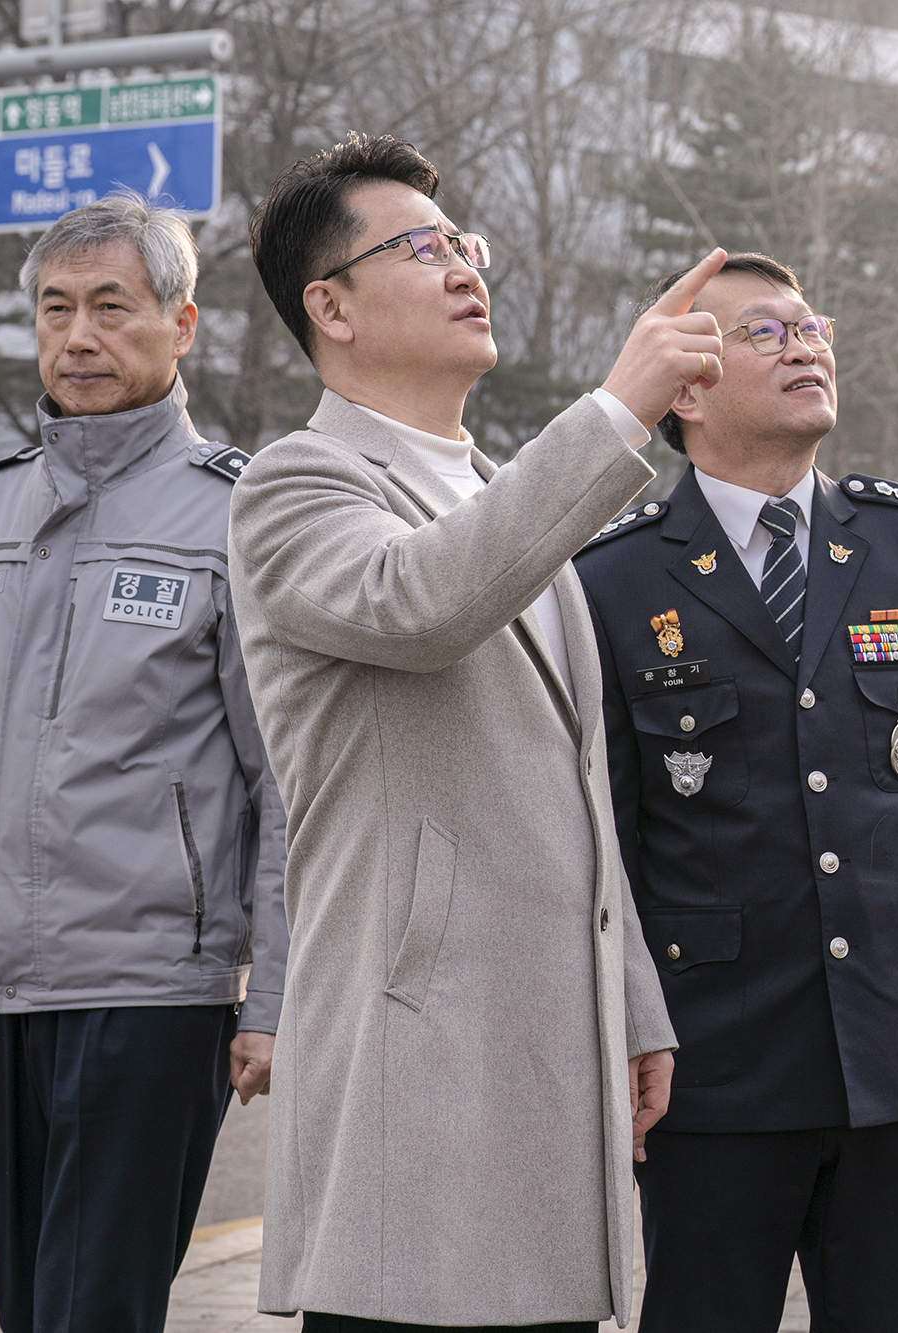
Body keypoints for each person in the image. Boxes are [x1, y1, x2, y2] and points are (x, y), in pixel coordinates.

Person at [233, 133, 694, 1330]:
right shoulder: (295, 483)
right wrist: (615, 409)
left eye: (463, 245)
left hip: (547, 1051)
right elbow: (421, 603)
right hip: (417, 1061)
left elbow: (579, 791)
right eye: (423, 247)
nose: (462, 267)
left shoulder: (494, 487)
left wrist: (634, 1006)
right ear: (326, 304)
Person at [572, 251, 898, 1332]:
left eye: (812, 328)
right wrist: (621, 1029)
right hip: (715, 1059)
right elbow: (610, 840)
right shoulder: (613, 577)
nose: (806, 347)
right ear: (686, 388)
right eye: (766, 333)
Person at [0, 193, 288, 1333]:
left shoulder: (235, 510)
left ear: (183, 323)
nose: (78, 336)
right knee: (28, 1305)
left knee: (97, 1308)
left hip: (156, 989)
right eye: (56, 310)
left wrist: (271, 994)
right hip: (6, 996)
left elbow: (281, 779)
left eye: (111, 308)